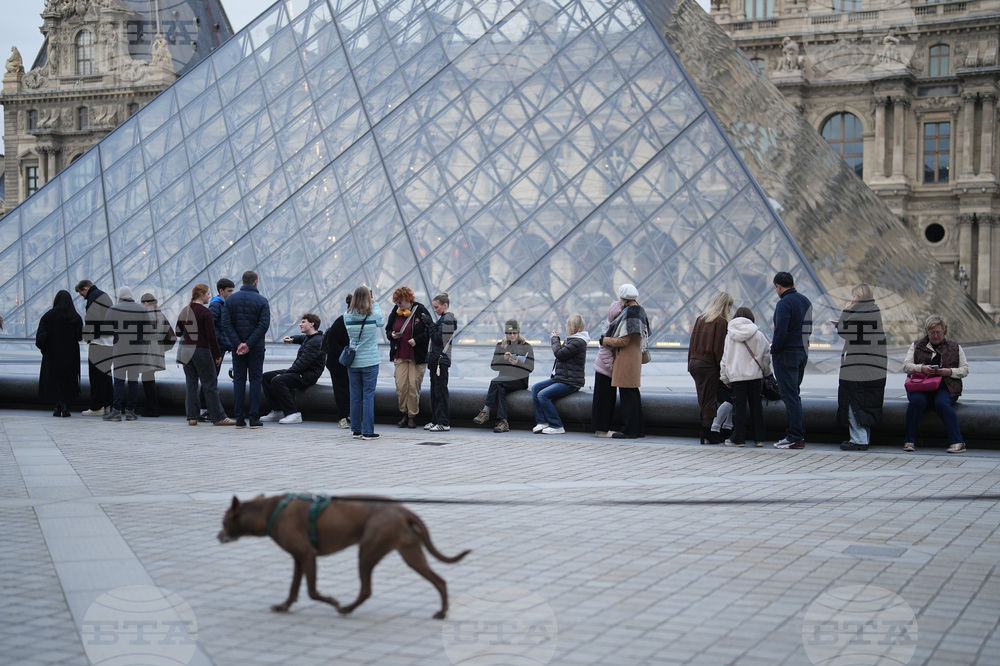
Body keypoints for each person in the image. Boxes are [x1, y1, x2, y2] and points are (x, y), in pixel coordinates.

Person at [902, 315, 970, 454]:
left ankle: (957, 441)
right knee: (916, 401)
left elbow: (965, 370)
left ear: (944, 331)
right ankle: (909, 440)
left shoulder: (955, 347)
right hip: (921, 385)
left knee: (942, 403)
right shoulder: (916, 345)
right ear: (927, 332)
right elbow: (906, 366)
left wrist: (948, 371)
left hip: (946, 386)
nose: (935, 335)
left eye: (938, 332)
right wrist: (921, 368)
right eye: (932, 332)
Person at [175, 283, 236, 426]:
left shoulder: (186, 310)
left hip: (185, 351)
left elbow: (178, 332)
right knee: (210, 384)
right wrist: (217, 354)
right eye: (208, 294)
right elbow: (211, 336)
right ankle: (218, 417)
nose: (210, 296)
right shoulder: (205, 312)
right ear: (201, 295)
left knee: (191, 385)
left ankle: (192, 417)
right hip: (201, 350)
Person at [835, 284, 887, 451]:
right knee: (864, 401)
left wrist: (845, 312)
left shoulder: (862, 314)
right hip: (871, 365)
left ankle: (859, 440)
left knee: (853, 400)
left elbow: (844, 332)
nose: (852, 300)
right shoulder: (872, 311)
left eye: (854, 296)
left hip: (859, 367)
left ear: (860, 297)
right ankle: (862, 437)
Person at [222, 270, 271, 429]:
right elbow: (263, 325)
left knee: (239, 380)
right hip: (255, 347)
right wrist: (249, 344)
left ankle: (239, 418)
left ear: (242, 283)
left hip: (238, 349)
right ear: (256, 282)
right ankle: (254, 417)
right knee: (256, 380)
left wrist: (238, 344)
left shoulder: (230, 300)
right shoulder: (262, 301)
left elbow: (226, 324)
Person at [601, 284, 651, 439]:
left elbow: (624, 340)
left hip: (626, 359)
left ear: (623, 298)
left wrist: (605, 340)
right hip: (633, 358)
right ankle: (638, 429)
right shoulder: (640, 310)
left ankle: (629, 430)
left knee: (627, 396)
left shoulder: (630, 313)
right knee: (633, 394)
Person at [260, 313, 326, 424]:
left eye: (303, 322)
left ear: (312, 324)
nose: (300, 324)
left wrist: (285, 374)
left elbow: (303, 363)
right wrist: (292, 339)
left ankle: (293, 413)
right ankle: (278, 410)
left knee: (278, 380)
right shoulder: (310, 338)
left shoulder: (316, 342)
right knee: (266, 377)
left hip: (308, 375)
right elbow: (301, 338)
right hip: (300, 372)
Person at [771, 271, 812, 449]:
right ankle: (798, 434)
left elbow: (780, 332)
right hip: (802, 352)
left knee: (789, 396)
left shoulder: (783, 304)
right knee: (795, 394)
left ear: (778, 287)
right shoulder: (806, 301)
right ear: (793, 283)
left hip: (786, 354)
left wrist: (774, 350)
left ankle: (794, 436)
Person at [719, 306, 770, 447]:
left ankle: (738, 439)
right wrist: (766, 373)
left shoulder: (730, 336)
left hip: (737, 377)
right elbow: (766, 356)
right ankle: (759, 438)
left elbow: (725, 359)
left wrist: (725, 378)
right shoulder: (758, 335)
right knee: (756, 408)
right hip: (754, 377)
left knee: (739, 409)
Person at [473, 319, 535, 433]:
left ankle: (486, 411)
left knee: (495, 382)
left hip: (519, 380)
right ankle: (503, 422)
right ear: (506, 333)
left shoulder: (527, 347)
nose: (512, 336)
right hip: (504, 379)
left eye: (514, 333)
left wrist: (518, 363)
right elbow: (494, 366)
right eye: (509, 333)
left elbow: (530, 368)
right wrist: (503, 359)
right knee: (500, 389)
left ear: (518, 333)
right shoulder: (500, 346)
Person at [531, 314, 589, 435]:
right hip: (562, 378)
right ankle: (541, 422)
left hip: (570, 381)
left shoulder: (578, 342)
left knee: (543, 395)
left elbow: (560, 354)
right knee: (535, 388)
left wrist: (554, 339)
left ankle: (557, 425)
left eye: (568, 325)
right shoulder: (573, 339)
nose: (567, 327)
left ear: (573, 326)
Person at [102, 287, 153, 422]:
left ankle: (116, 411)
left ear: (120, 297)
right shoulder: (142, 309)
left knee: (118, 381)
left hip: (120, 350)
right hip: (137, 351)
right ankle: (131, 411)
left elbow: (106, 329)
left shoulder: (114, 309)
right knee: (133, 381)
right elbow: (148, 331)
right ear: (131, 296)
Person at [688, 291, 733, 444]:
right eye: (729, 306)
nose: (730, 310)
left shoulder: (700, 319)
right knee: (710, 400)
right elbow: (719, 350)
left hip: (695, 363)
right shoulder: (721, 322)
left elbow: (692, 343)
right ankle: (707, 433)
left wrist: (690, 363)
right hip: (708, 365)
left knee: (703, 398)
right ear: (724, 306)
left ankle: (706, 432)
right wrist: (724, 372)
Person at [385, 286, 431, 429]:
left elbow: (430, 329)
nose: (398, 304)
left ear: (408, 299)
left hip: (416, 356)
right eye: (396, 302)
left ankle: (411, 416)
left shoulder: (420, 310)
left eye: (400, 302)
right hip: (400, 354)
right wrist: (392, 335)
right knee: (401, 387)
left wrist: (416, 340)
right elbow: (388, 329)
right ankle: (404, 412)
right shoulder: (395, 311)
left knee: (413, 387)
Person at [344, 286, 384, 441]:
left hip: (353, 361)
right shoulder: (373, 314)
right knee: (368, 396)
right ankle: (368, 431)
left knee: (355, 396)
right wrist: (375, 303)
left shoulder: (346, 315)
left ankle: (356, 429)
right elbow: (380, 322)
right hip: (370, 361)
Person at [35, 290, 83, 417]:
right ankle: (66, 405)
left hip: (52, 355)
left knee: (54, 381)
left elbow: (40, 338)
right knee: (68, 381)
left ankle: (57, 405)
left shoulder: (48, 316)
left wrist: (45, 349)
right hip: (70, 355)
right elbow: (79, 336)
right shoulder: (76, 317)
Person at [74, 279, 114, 416]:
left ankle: (96, 407)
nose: (83, 297)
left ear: (85, 288)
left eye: (81, 294)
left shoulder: (93, 297)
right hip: (109, 342)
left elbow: (92, 319)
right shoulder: (105, 296)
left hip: (99, 342)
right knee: (107, 375)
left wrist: (89, 336)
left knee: (96, 376)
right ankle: (108, 405)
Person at [199, 278, 235, 421]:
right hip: (217, 348)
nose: (232, 293)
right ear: (221, 290)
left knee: (211, 378)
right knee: (211, 379)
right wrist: (223, 343)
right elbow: (212, 328)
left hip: (220, 346)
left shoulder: (221, 304)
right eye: (229, 291)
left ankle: (204, 409)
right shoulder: (216, 305)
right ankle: (204, 409)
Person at [138, 293, 176, 417]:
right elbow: (172, 337)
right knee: (150, 378)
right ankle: (152, 407)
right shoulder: (161, 315)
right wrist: (162, 349)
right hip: (157, 349)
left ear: (145, 303)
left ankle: (152, 408)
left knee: (147, 379)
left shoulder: (145, 315)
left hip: (146, 349)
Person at [424, 293, 457, 433]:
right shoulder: (443, 319)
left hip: (441, 360)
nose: (435, 310)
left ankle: (443, 422)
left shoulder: (448, 319)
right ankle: (436, 420)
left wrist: (430, 324)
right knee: (435, 391)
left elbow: (438, 339)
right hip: (437, 360)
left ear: (445, 305)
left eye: (437, 307)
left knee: (440, 391)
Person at [591, 301, 623, 438]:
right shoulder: (611, 328)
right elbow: (605, 353)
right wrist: (614, 370)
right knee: (605, 401)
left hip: (602, 369)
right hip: (605, 370)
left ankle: (600, 430)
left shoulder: (609, 326)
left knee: (602, 400)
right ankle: (602, 431)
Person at [321, 293, 352, 429]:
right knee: (341, 390)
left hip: (347, 360)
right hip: (338, 362)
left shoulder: (350, 319)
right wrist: (347, 354)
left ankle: (348, 415)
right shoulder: (342, 320)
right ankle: (343, 417)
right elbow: (332, 341)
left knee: (348, 389)